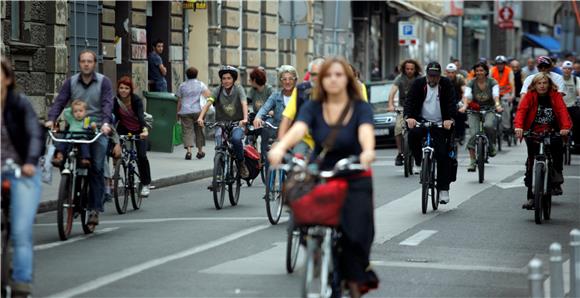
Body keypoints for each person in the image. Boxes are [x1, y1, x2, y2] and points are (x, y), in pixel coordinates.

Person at [269, 57, 379, 297]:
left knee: (358, 233)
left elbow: (365, 131)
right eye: (328, 75)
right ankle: (316, 248)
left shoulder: (359, 106)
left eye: (339, 75)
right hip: (323, 168)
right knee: (305, 212)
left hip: (353, 169)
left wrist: (368, 151)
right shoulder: (313, 105)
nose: (333, 79)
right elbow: (299, 128)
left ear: (348, 79)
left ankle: (353, 275)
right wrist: (281, 146)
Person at [46, 49, 113, 226]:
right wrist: (51, 119)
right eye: (83, 61)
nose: (86, 64)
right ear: (79, 63)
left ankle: (94, 209)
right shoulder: (71, 82)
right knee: (63, 156)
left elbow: (107, 104)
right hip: (75, 128)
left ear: (94, 63)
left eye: (89, 61)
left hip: (97, 128)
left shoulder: (103, 82)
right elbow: (60, 101)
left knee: (96, 168)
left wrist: (106, 123)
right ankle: (68, 190)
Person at [1, 58, 44, 298]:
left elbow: (34, 134)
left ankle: (21, 284)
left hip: (22, 169)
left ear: (7, 79)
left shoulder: (19, 104)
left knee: (20, 231)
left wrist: (30, 162)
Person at [514, 73, 572, 208]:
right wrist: (518, 127)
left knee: (557, 150)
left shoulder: (555, 96)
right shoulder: (529, 96)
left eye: (544, 83)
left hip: (552, 131)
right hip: (533, 132)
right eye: (539, 83)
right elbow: (521, 111)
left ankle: (556, 179)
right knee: (531, 161)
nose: (542, 86)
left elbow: (562, 112)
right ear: (534, 85)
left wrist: (564, 128)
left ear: (549, 84)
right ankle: (531, 197)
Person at [405, 61, 456, 204]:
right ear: (426, 75)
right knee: (413, 135)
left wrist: (449, 119)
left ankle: (443, 189)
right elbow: (410, 101)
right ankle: (418, 161)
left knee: (443, 155)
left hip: (440, 124)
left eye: (435, 76)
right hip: (421, 120)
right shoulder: (418, 84)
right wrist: (410, 117)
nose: (432, 79)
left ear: (440, 76)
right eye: (430, 76)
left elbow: (452, 103)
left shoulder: (446, 84)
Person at [197, 65, 249, 178]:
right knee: (219, 147)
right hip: (221, 123)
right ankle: (218, 176)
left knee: (236, 140)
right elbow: (209, 103)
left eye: (229, 78)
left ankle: (241, 163)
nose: (226, 81)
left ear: (233, 79)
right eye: (224, 78)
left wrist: (245, 119)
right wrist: (201, 117)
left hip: (237, 123)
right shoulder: (218, 90)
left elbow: (244, 103)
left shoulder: (239, 89)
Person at [459, 62, 503, 171]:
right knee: (473, 133)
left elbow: (495, 95)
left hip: (489, 109)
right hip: (474, 110)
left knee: (488, 126)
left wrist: (497, 105)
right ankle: (472, 161)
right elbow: (467, 95)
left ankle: (492, 145)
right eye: (477, 70)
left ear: (486, 72)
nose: (479, 73)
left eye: (481, 70)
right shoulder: (471, 82)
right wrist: (464, 106)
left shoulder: (492, 82)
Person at [113, 76, 152, 197]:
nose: (123, 90)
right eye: (121, 88)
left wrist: (144, 131)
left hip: (138, 129)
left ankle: (146, 184)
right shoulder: (115, 100)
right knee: (114, 148)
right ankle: (117, 169)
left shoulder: (136, 100)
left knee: (141, 156)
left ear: (130, 89)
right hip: (123, 128)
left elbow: (141, 117)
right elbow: (113, 117)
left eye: (126, 88)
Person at [278, 58, 325, 156]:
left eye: (320, 74)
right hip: (304, 140)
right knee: (295, 164)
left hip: (327, 141)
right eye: (313, 74)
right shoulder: (302, 91)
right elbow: (287, 118)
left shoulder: (334, 92)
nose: (316, 78)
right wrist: (281, 146)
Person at [253, 65, 298, 159]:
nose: (287, 82)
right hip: (277, 134)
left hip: (294, 134)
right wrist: (258, 117)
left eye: (290, 79)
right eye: (284, 79)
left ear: (295, 80)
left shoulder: (300, 96)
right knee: (270, 156)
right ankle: (268, 171)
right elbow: (265, 108)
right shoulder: (275, 96)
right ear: (281, 81)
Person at [388, 59, 422, 166]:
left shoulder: (420, 78)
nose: (409, 71)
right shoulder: (400, 78)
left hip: (418, 108)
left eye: (412, 69)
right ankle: (400, 153)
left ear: (415, 69)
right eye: (407, 69)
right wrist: (390, 104)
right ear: (404, 69)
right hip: (403, 107)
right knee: (398, 128)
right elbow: (392, 91)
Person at [176, 66, 212, 160]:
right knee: (199, 130)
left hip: (185, 111)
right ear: (196, 74)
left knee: (187, 131)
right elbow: (209, 95)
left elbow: (179, 100)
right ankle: (200, 151)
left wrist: (177, 113)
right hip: (198, 111)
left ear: (186, 75)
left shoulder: (182, 85)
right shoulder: (200, 84)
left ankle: (189, 151)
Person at [51, 100, 93, 168]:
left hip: (82, 138)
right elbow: (66, 112)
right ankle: (59, 156)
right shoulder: (72, 119)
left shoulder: (86, 120)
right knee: (63, 143)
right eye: (75, 111)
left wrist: (93, 128)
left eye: (81, 111)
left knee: (85, 146)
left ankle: (85, 159)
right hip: (71, 136)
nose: (78, 113)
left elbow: (89, 129)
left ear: (85, 112)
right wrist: (73, 107)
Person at [490, 55, 516, 136]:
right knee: (491, 107)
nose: (500, 65)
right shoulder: (492, 70)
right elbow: (488, 83)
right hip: (494, 93)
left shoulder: (509, 71)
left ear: (504, 64)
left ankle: (506, 127)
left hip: (506, 93)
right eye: (498, 64)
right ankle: (492, 125)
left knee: (505, 106)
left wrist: (512, 95)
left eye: (501, 64)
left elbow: (512, 84)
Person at [445, 63, 467, 144]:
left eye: (452, 72)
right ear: (446, 72)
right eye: (449, 72)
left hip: (457, 100)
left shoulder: (459, 79)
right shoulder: (443, 79)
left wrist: (462, 102)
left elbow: (464, 91)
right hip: (446, 101)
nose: (450, 74)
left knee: (461, 114)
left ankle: (461, 134)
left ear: (456, 72)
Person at [561, 61, 580, 146]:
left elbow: (579, 91)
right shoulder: (558, 79)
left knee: (577, 122)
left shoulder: (576, 79)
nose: (567, 70)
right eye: (565, 68)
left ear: (572, 70)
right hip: (561, 107)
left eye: (569, 69)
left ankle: (577, 143)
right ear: (562, 69)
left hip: (572, 106)